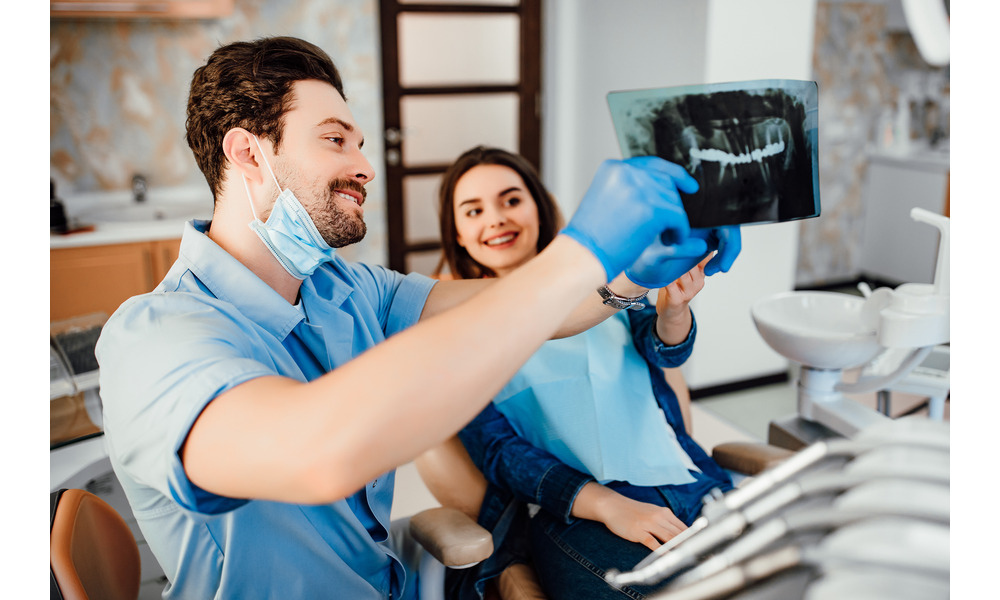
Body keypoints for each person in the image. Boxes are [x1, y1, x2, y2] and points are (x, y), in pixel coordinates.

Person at [93, 36, 738, 599]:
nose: (365, 167)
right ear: (249, 152)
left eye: (361, 144)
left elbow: (530, 313)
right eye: (335, 141)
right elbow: (318, 451)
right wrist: (580, 251)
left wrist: (630, 272)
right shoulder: (155, 336)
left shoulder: (348, 290)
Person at [430, 146, 738, 600]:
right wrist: (610, 505)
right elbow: (499, 451)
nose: (495, 218)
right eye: (473, 210)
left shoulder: (605, 284)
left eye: (511, 199)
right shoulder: (452, 327)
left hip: (688, 483)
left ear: (538, 206)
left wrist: (674, 309)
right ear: (456, 233)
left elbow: (663, 354)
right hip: (578, 512)